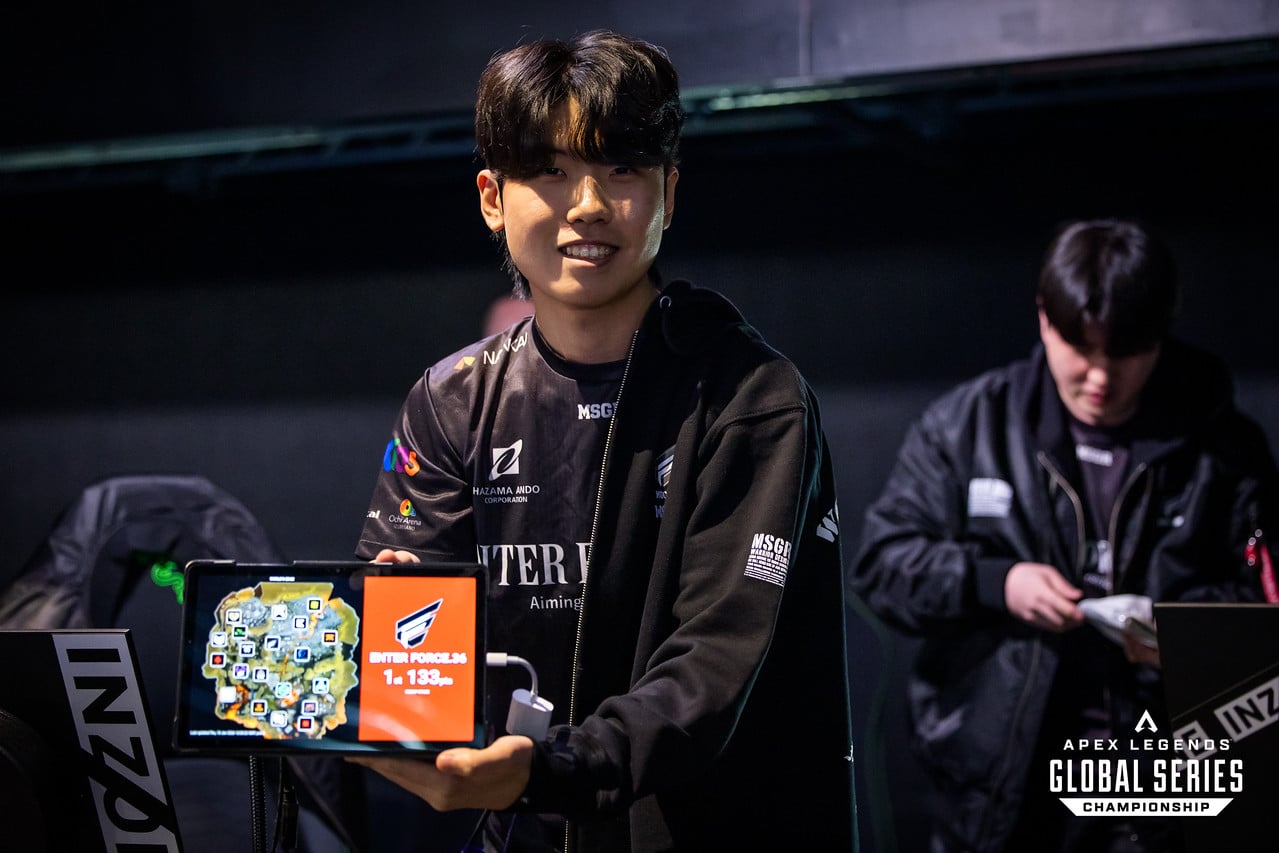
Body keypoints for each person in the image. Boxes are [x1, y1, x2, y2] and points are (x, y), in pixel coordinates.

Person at [349, 29, 858, 853]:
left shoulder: (749, 398)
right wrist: (386, 644)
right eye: (549, 171)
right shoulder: (449, 401)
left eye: (621, 169)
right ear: (491, 197)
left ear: (668, 192)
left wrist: (548, 768)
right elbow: (406, 649)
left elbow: (713, 664)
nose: (587, 204)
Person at [848, 217, 1279, 853]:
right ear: (1045, 318)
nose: (1100, 377)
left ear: (1161, 334)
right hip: (1003, 790)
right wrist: (999, 582)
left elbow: (1263, 604)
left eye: (1126, 352)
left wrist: (1183, 634)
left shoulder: (1225, 447)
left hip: (1166, 789)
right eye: (1081, 348)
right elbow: (882, 564)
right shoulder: (968, 424)